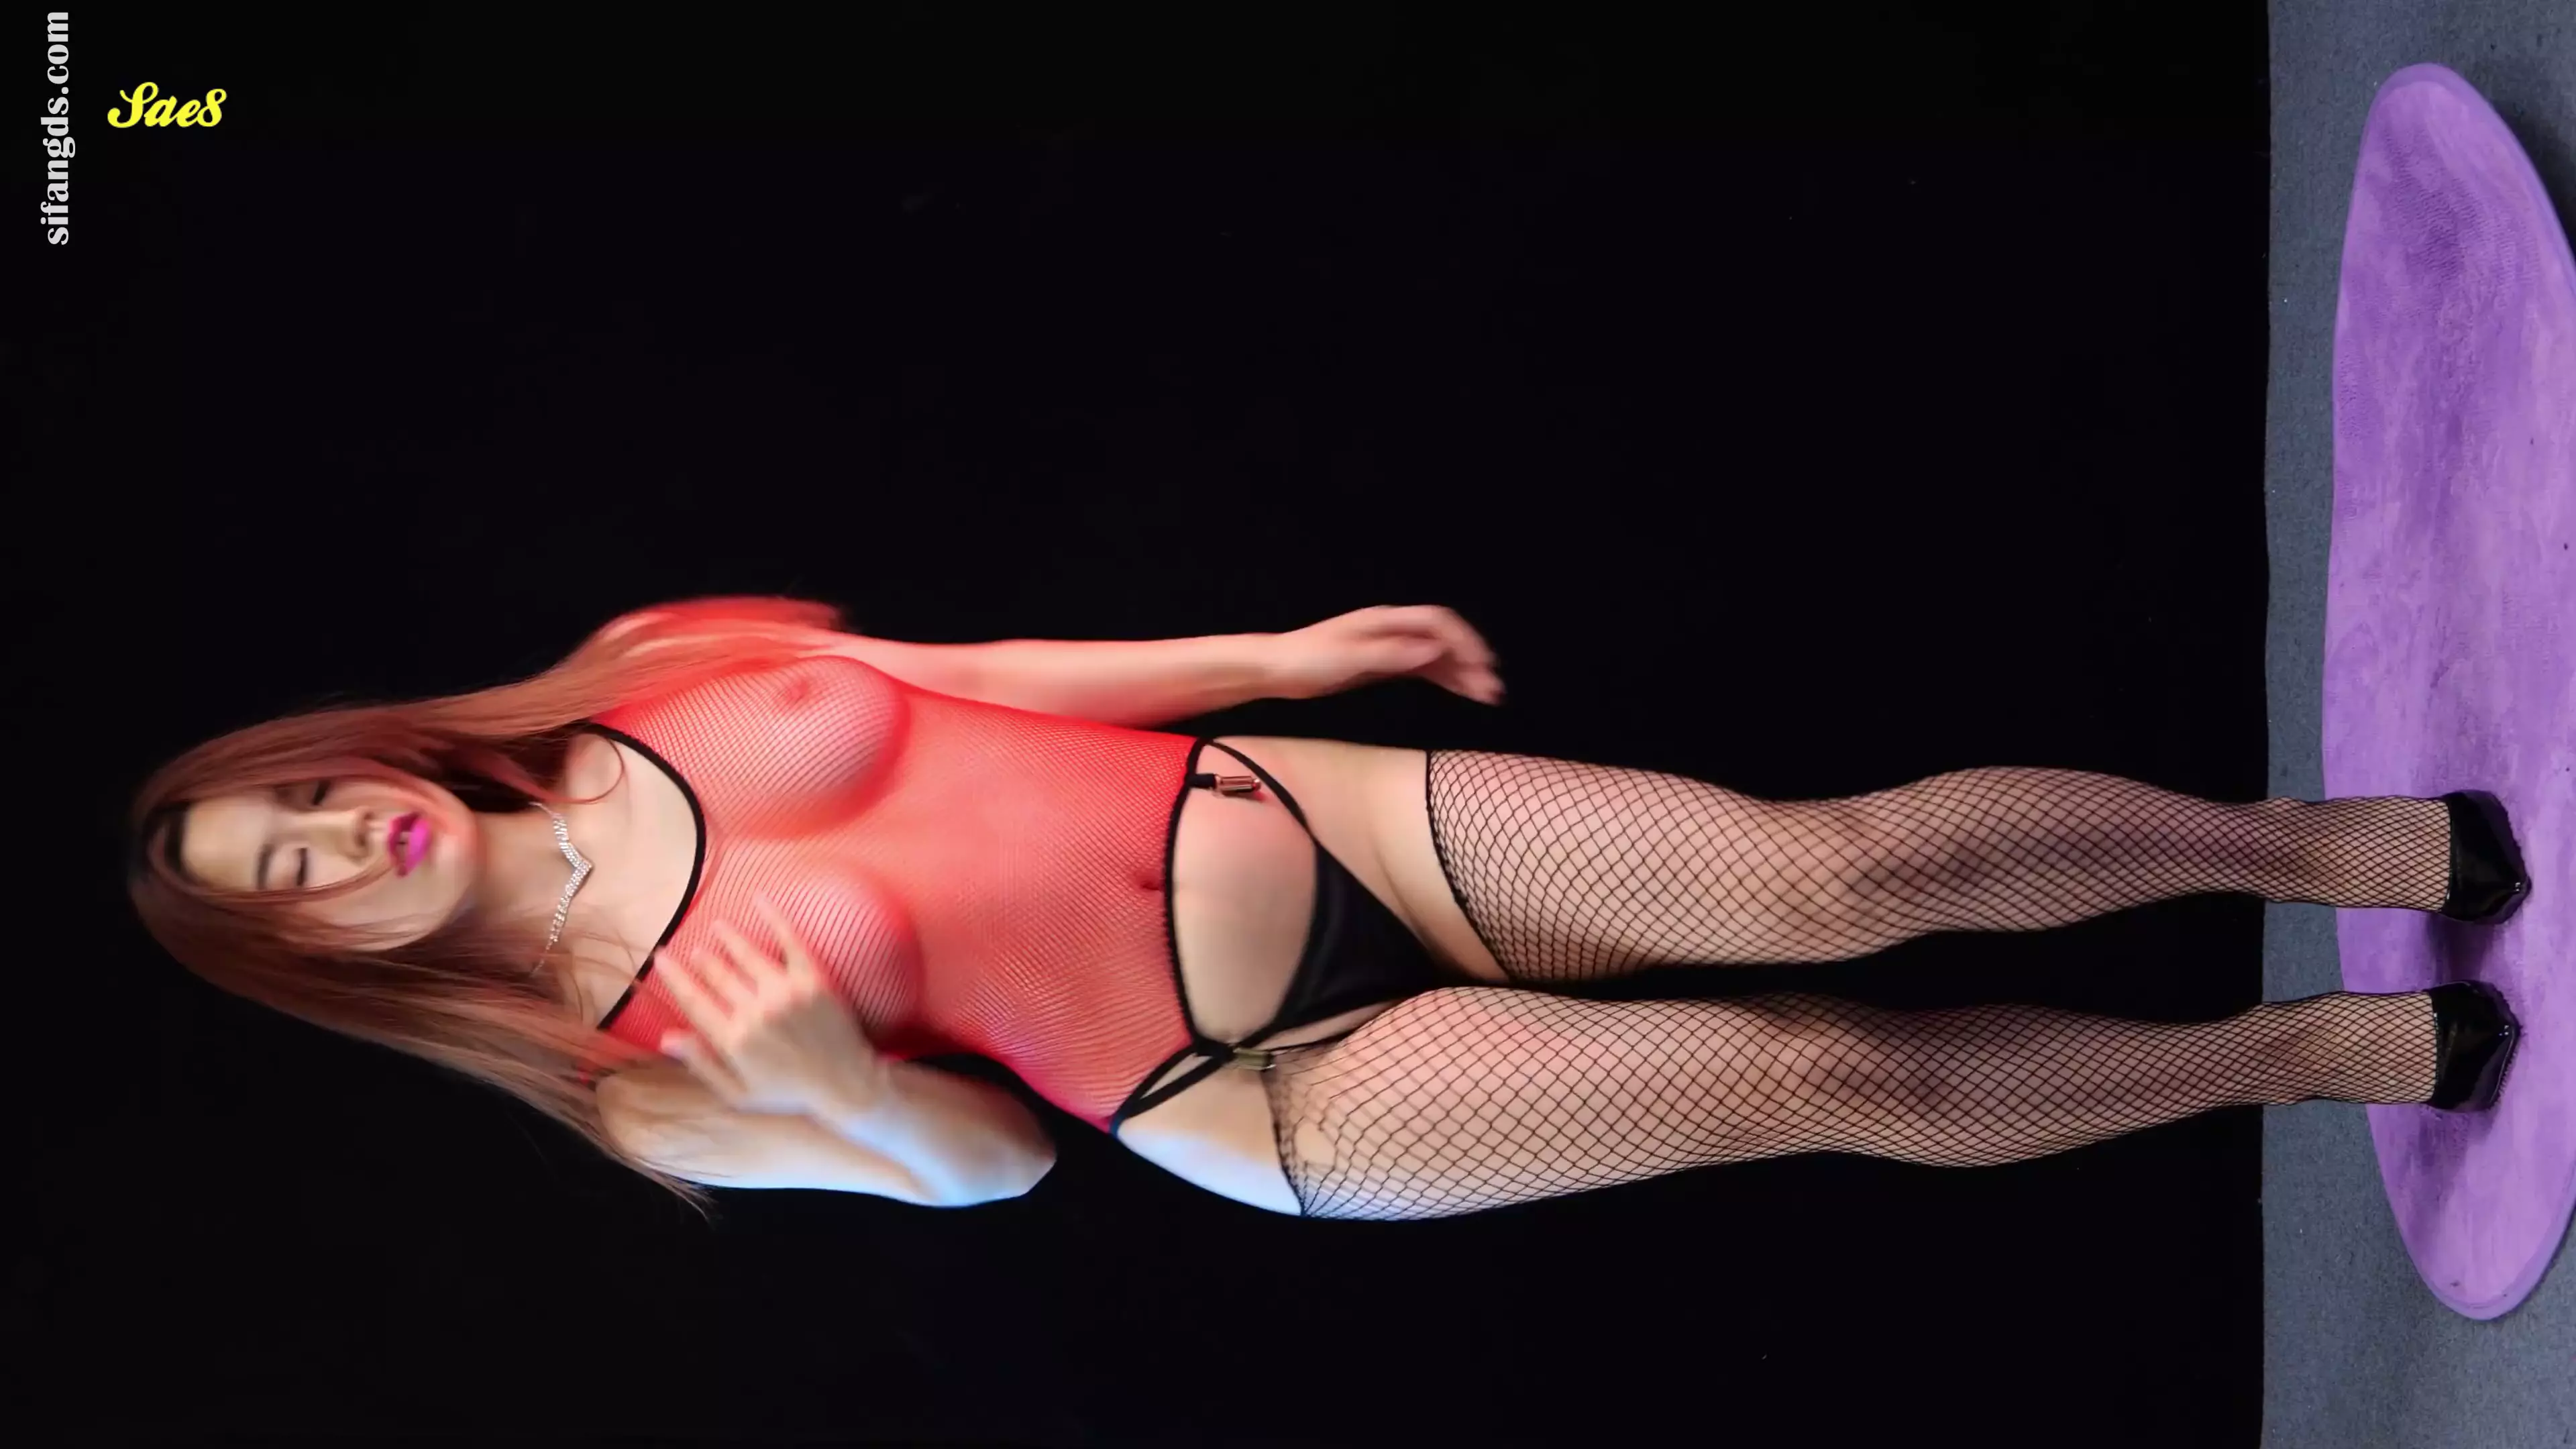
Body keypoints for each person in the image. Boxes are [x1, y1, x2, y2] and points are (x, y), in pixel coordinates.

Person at [125, 596, 2527, 1223]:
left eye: (301, 800)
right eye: (291, 883)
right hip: (1262, 1081)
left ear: (352, 751)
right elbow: (995, 1173)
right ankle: (2308, 1058)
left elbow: (972, 682)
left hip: (1298, 809)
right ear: (318, 963)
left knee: (1844, 866)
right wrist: (837, 1091)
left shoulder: (640, 667)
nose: (338, 841)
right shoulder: (639, 1090)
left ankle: (2336, 853)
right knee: (1810, 1070)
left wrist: (1270, 659)